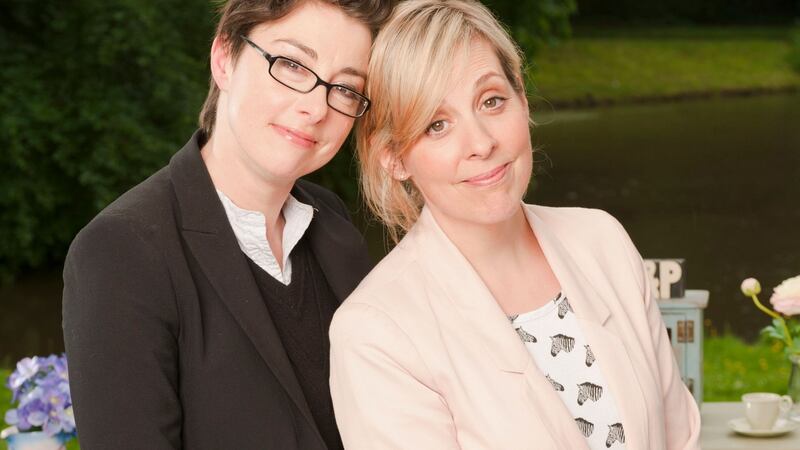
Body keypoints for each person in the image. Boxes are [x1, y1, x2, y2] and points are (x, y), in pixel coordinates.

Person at [329, 1, 701, 449]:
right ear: (393, 157)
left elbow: (679, 436)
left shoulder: (603, 241)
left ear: (522, 98)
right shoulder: (375, 334)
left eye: (491, 101)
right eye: (437, 125)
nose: (482, 143)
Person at [61, 1, 394, 448]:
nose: (316, 108)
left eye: (347, 89)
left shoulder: (332, 224)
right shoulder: (121, 250)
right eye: (292, 65)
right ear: (224, 59)